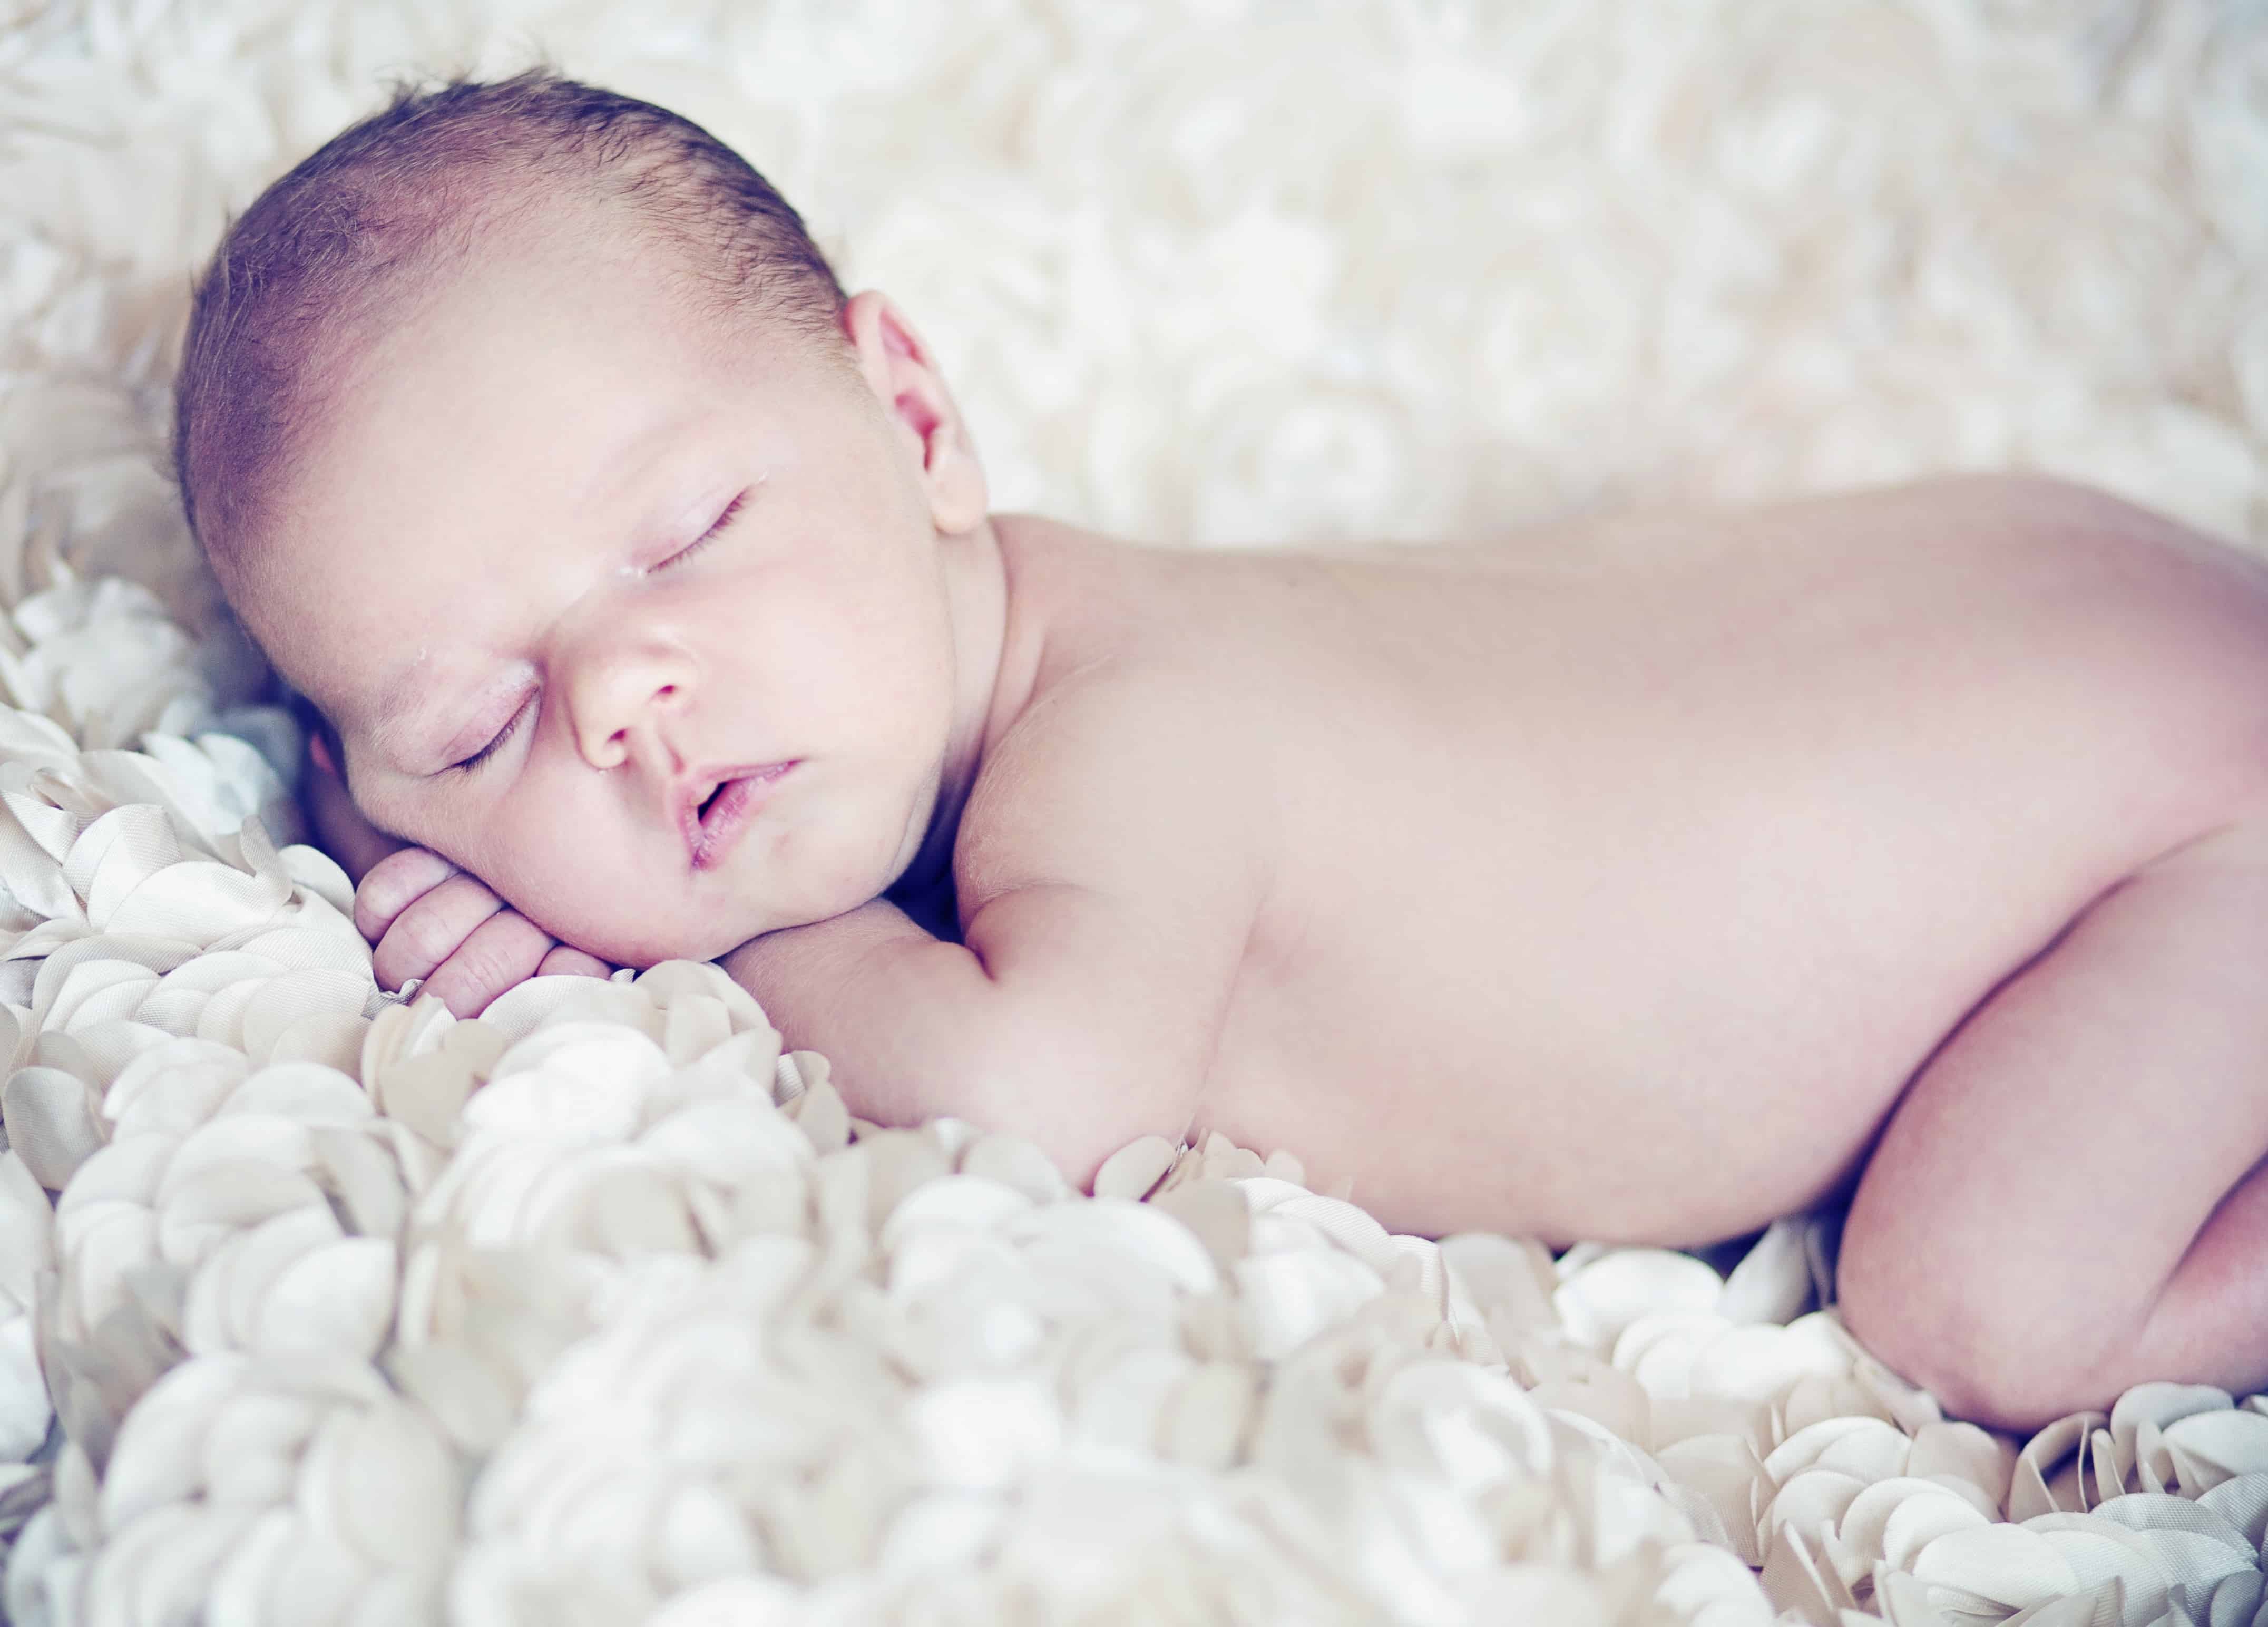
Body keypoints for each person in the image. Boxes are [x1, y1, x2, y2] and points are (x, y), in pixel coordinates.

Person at [170, 70, 2268, 1433]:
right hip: (2041, 635)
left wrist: (629, 942)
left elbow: (1029, 1097)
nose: (621, 695)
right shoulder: (1013, 655)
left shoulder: (1133, 739)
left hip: (2185, 808)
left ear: (909, 421)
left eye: (687, 534)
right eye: (471, 722)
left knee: (1978, 1309)